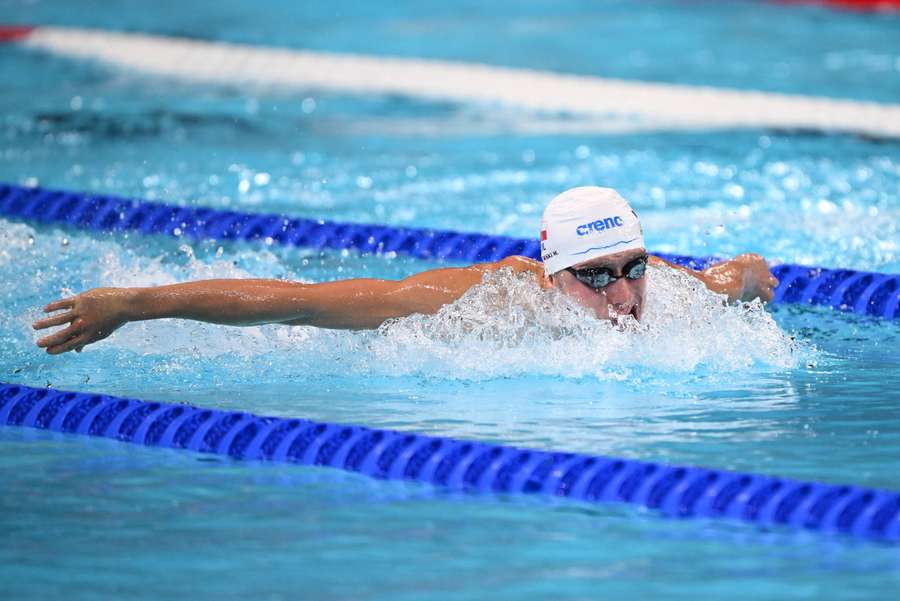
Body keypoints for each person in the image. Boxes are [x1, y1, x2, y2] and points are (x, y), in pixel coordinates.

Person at [33, 187, 778, 355]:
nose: (624, 295)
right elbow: (302, 305)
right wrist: (136, 301)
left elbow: (735, 276)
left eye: (633, 267)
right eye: (596, 276)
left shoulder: (673, 295)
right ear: (551, 276)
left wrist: (751, 276)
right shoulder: (489, 300)